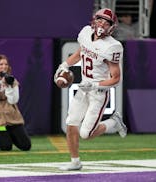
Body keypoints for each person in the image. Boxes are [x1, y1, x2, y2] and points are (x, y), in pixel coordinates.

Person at [54, 8, 127, 171]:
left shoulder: (112, 46)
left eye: (106, 22)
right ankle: (75, 161)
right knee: (71, 123)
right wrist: (64, 65)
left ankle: (114, 122)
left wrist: (94, 85)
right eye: (100, 20)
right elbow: (81, 53)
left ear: (111, 27)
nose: (102, 24)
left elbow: (116, 78)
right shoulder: (86, 33)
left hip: (98, 92)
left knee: (86, 134)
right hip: (83, 88)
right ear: (94, 21)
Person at [0, 54, 31, 151]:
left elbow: (13, 101)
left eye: (6, 64)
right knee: (5, 146)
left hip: (12, 118)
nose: (4, 67)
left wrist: (8, 86)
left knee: (25, 145)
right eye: (1, 64)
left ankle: (9, 135)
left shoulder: (12, 81)